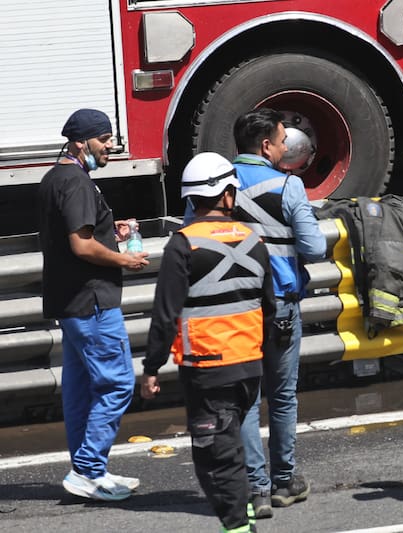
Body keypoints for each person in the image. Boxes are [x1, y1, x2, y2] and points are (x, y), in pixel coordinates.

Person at [141, 152, 276, 532]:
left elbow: (164, 315)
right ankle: (244, 511)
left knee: (216, 459)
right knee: (229, 449)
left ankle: (238, 526)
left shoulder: (183, 245)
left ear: (191, 199)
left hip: (207, 370)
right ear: (228, 195)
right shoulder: (254, 240)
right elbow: (269, 305)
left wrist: (151, 368)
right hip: (249, 366)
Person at [37, 108, 149, 502]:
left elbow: (80, 232)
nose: (110, 147)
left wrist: (110, 231)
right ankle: (86, 469)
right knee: (117, 384)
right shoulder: (78, 183)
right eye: (104, 140)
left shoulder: (56, 177)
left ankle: (90, 471)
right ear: (81, 142)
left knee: (82, 389)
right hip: (92, 302)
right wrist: (126, 259)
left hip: (70, 302)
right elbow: (81, 245)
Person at [223, 108, 326, 518]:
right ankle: (285, 483)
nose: (287, 147)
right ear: (266, 146)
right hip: (280, 302)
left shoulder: (218, 181)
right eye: (283, 141)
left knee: (246, 400)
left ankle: (257, 489)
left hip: (235, 304)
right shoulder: (289, 186)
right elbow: (315, 248)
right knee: (281, 396)